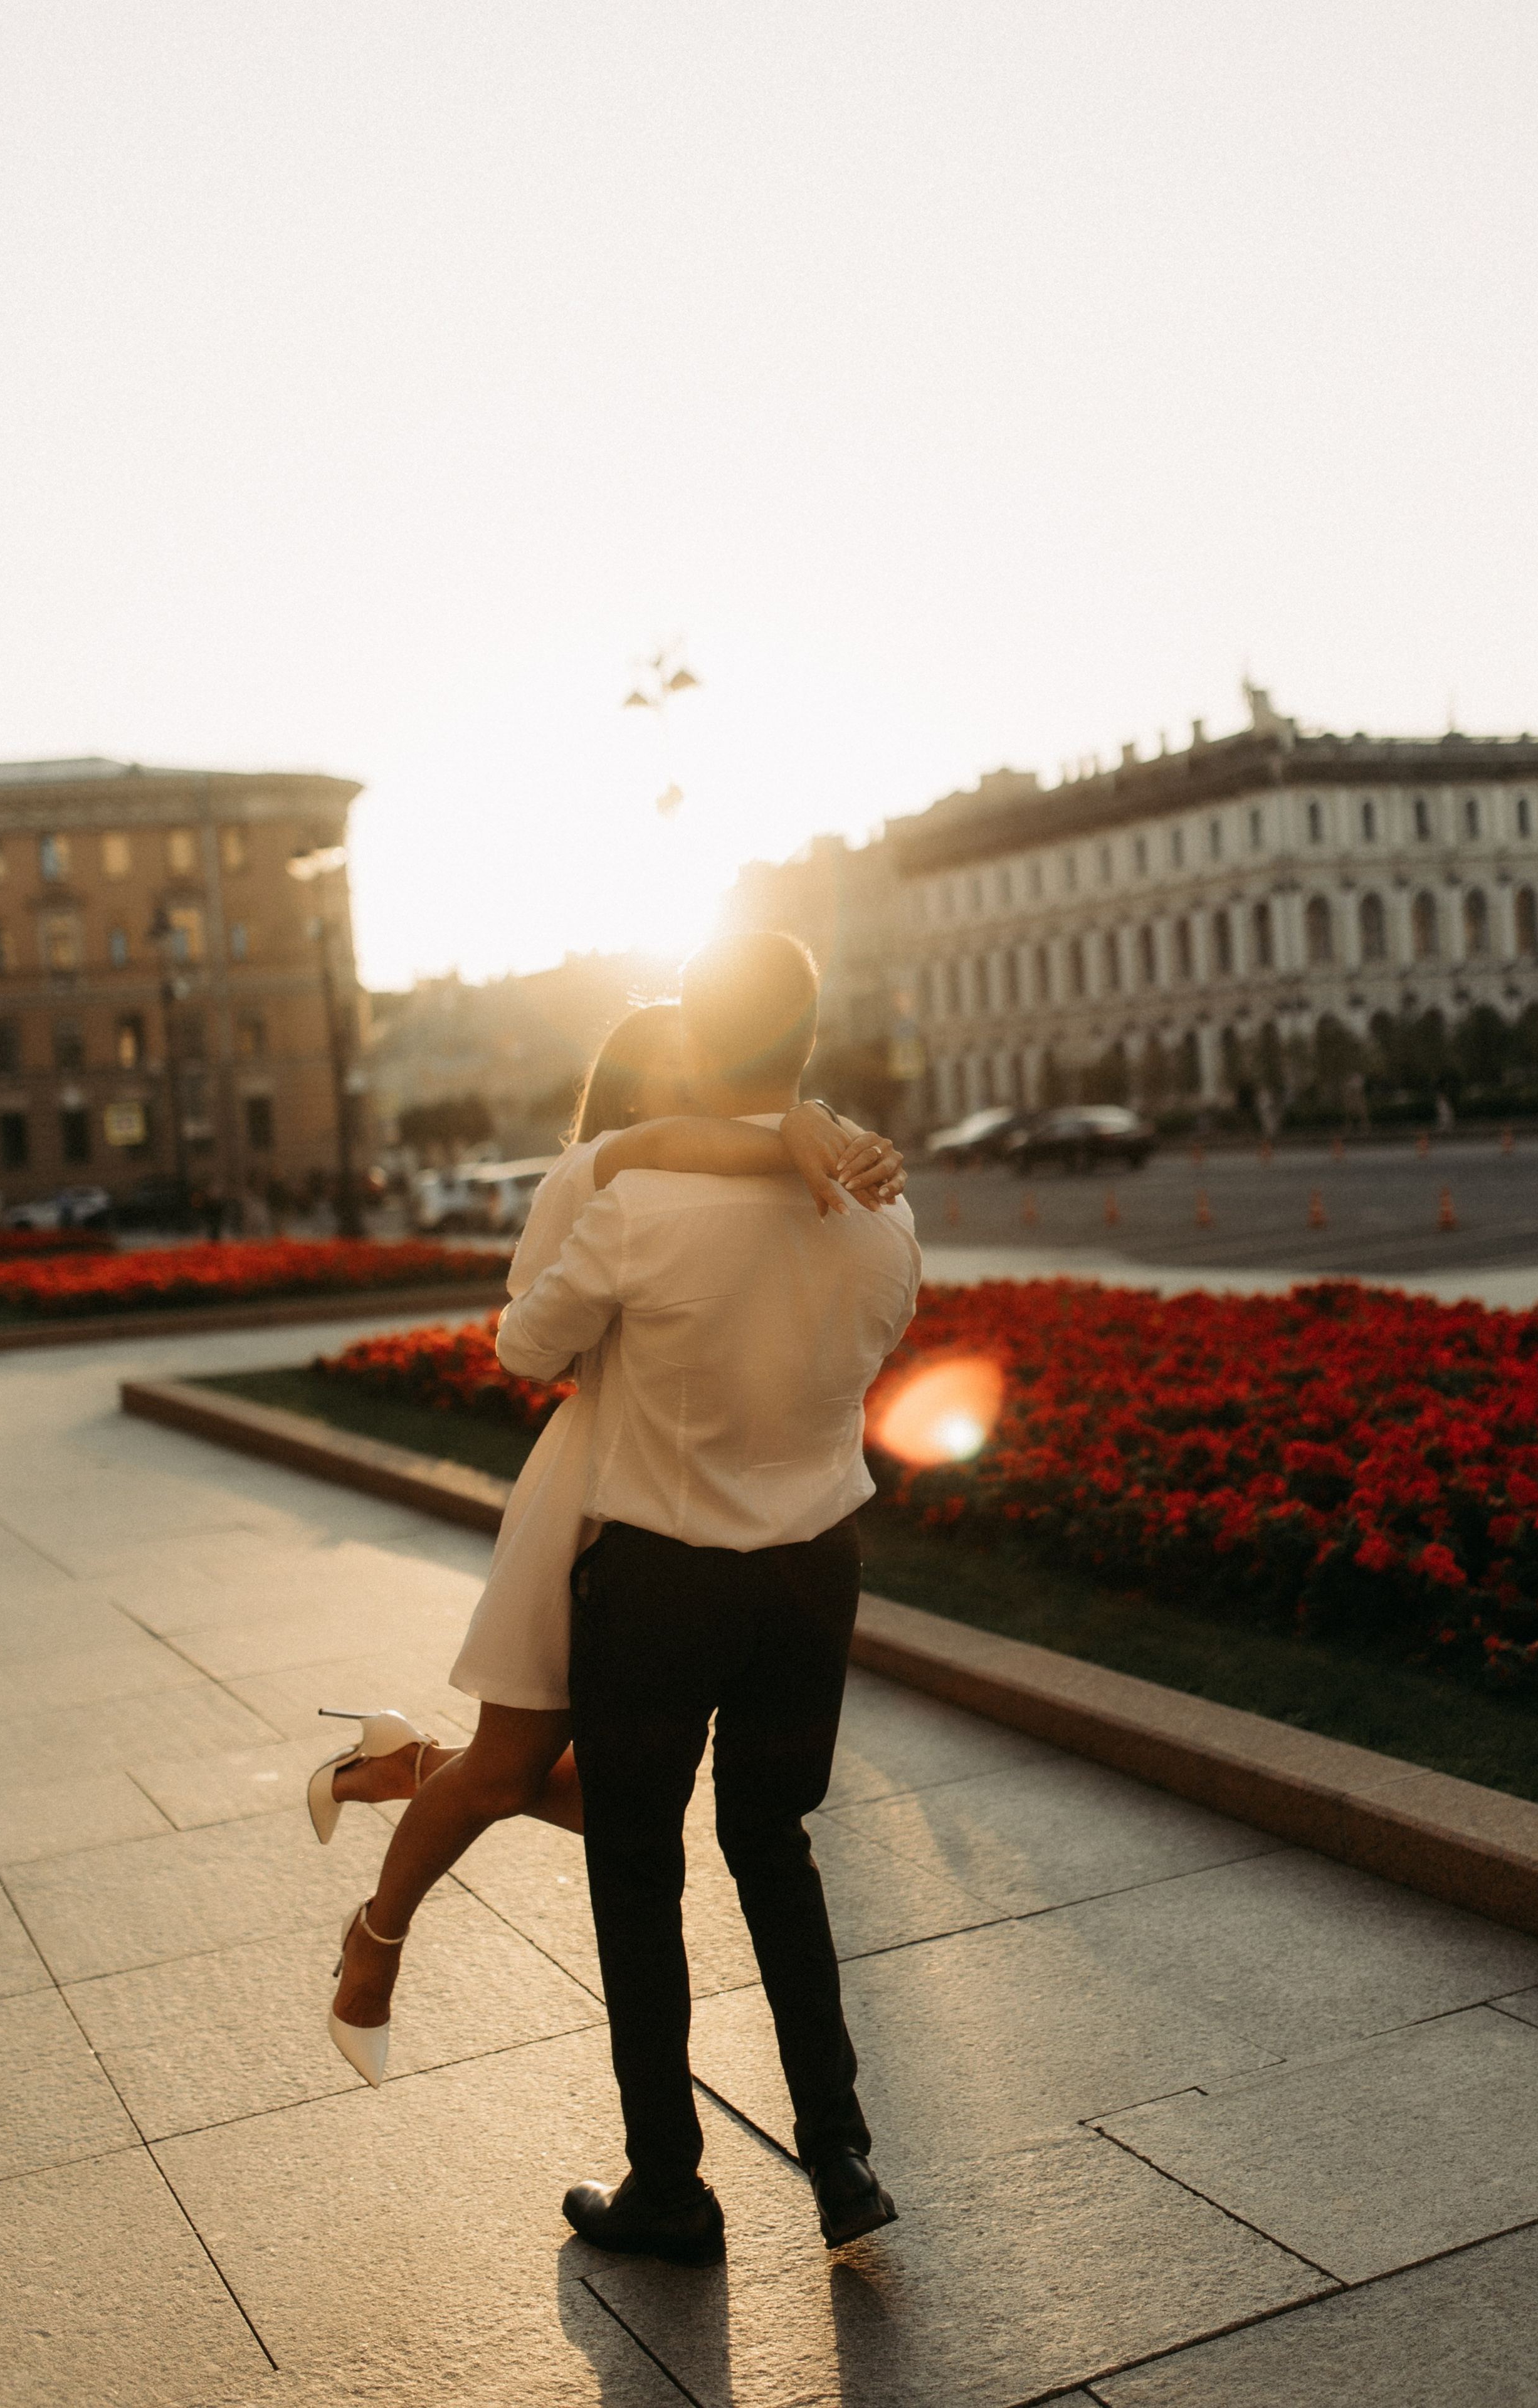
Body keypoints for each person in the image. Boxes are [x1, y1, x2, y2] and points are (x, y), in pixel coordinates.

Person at [313, 998, 905, 2088]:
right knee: (515, 1771)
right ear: (645, 1093)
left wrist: (805, 1124)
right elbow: (536, 1337)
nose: (702, 1099)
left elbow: (739, 1147)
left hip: (671, 1496)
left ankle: (405, 1763)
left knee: (600, 1799)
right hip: (596, 1492)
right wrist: (800, 1125)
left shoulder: (730, 1169)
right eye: (679, 1080)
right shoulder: (597, 1174)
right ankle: (374, 1943)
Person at [497, 932, 920, 2267]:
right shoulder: (883, 1211)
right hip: (814, 1572)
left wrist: (615, 1166)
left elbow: (522, 1345)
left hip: (660, 1582)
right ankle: (839, 2153)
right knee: (774, 1843)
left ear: (690, 1041)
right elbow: (876, 1338)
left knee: (638, 1866)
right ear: (806, 1042)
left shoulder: (637, 1203)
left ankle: (670, 2187)